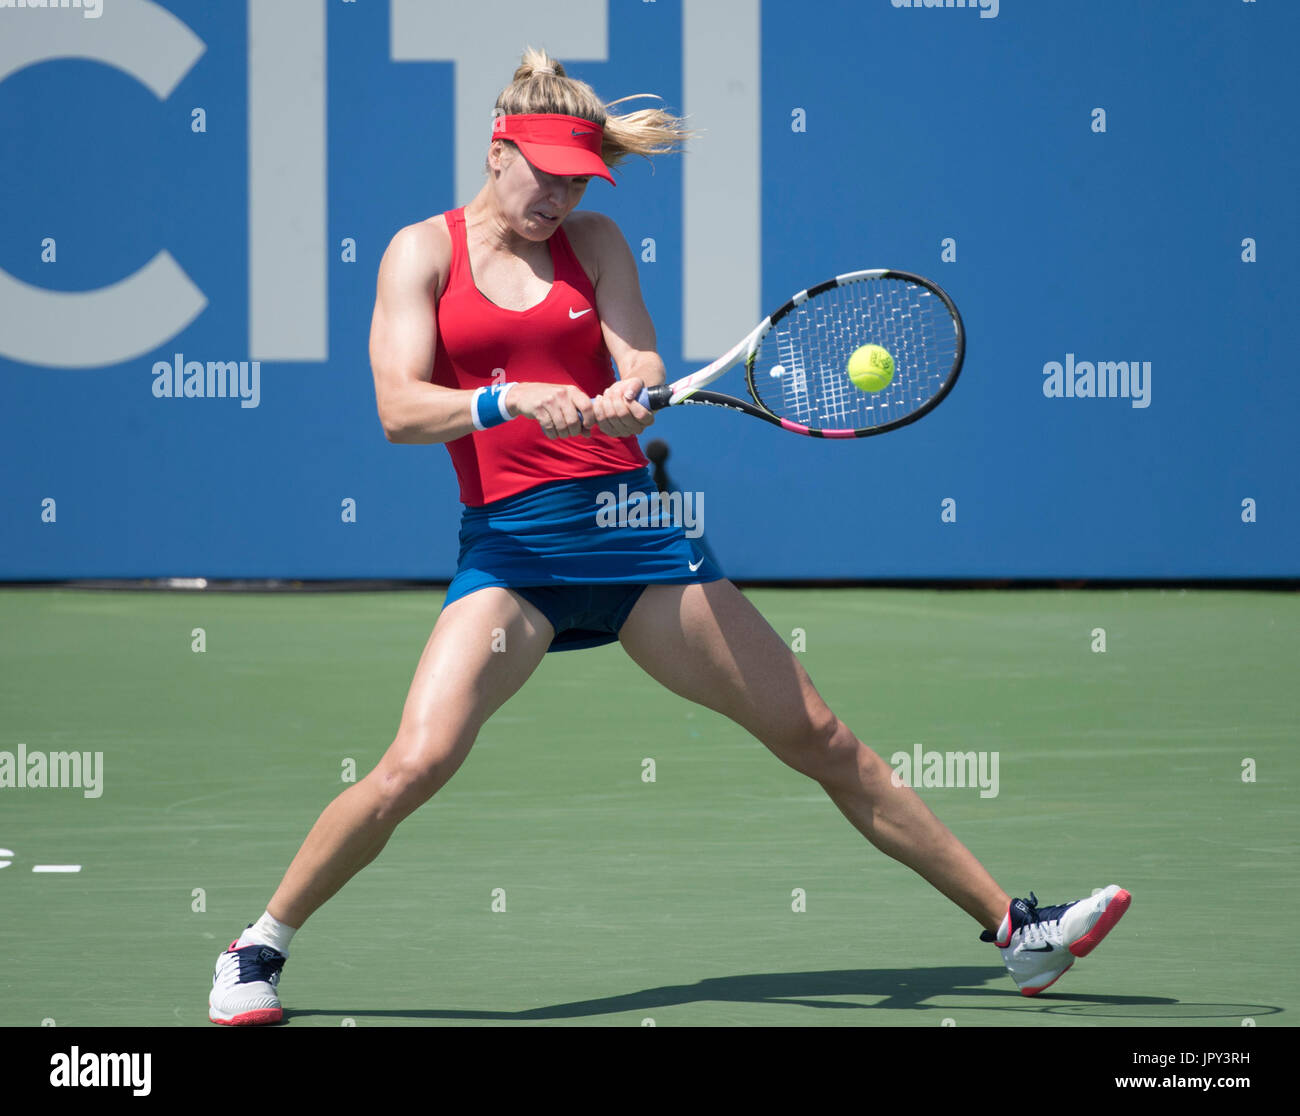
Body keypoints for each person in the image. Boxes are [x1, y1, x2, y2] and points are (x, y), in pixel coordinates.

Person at [208, 48, 1130, 1026]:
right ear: (495, 151)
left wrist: (630, 388)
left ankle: (1018, 936)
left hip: (639, 539)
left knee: (817, 735)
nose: (561, 194)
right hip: (513, 555)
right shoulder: (419, 253)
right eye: (547, 172)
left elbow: (636, 349)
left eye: (578, 177)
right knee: (415, 763)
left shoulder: (595, 241)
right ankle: (255, 950)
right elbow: (399, 408)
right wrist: (508, 399)